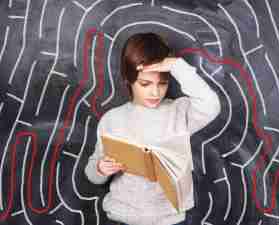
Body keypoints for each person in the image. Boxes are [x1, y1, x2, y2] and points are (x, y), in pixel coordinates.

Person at [84, 32, 221, 225]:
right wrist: (100, 168)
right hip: (121, 217)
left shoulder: (178, 112)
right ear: (129, 79)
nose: (155, 92)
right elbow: (92, 174)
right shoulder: (112, 120)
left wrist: (176, 66)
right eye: (145, 84)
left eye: (162, 83)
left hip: (169, 219)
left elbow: (211, 104)